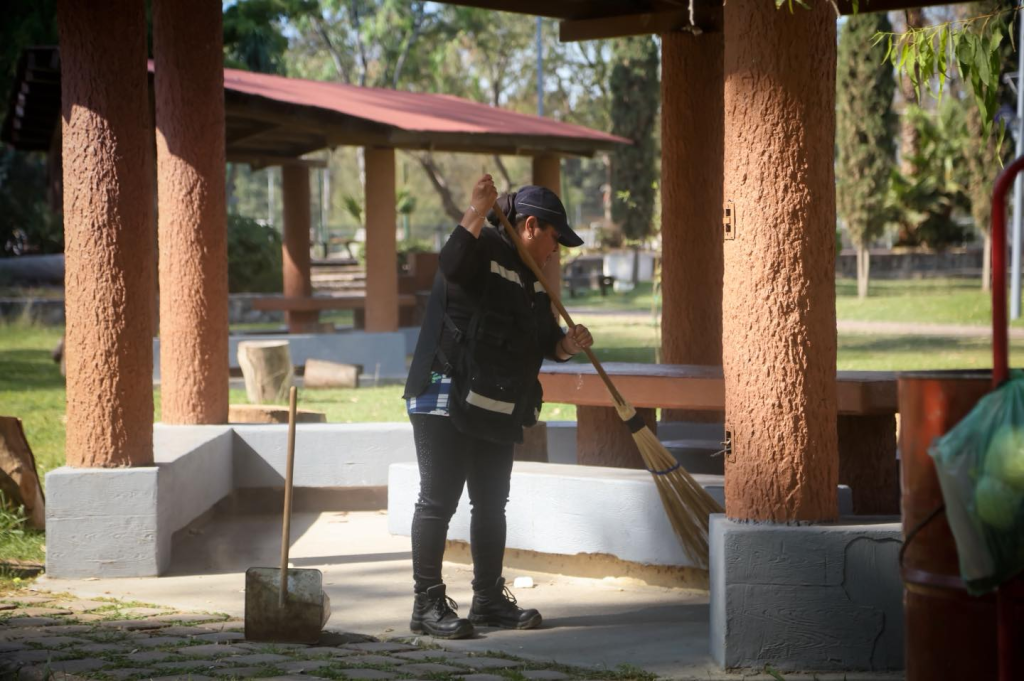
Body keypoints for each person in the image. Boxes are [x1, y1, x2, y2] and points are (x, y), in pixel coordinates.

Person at [402, 175, 594, 639]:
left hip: (494, 403)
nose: (556, 251)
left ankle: (487, 600)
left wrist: (566, 344)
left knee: (491, 503)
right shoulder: (483, 247)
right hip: (442, 391)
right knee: (438, 499)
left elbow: (541, 339)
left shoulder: (529, 276)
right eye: (554, 239)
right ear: (529, 225)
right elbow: (450, 263)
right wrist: (475, 208)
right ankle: (426, 604)